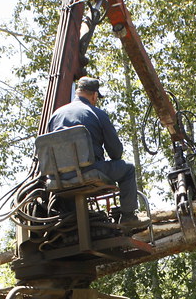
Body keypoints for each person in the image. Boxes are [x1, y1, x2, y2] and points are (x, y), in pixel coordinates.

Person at [46, 76, 147, 228]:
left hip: (59, 177)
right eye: (96, 98)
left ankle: (72, 221)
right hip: (89, 171)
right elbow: (115, 153)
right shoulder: (97, 114)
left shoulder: (55, 115)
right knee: (127, 169)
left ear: (77, 93)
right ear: (94, 95)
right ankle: (128, 217)